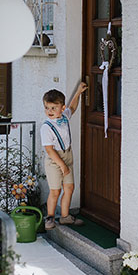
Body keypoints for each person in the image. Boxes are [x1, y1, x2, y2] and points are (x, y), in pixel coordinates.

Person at [41, 82, 88, 230]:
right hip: (55, 160)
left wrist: (79, 92)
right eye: (47, 108)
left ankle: (65, 216)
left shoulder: (65, 116)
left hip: (68, 156)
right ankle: (49, 217)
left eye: (53, 108)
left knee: (69, 187)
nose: (49, 111)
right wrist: (62, 165)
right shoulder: (46, 127)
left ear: (62, 108)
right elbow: (49, 150)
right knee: (55, 190)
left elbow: (72, 107)